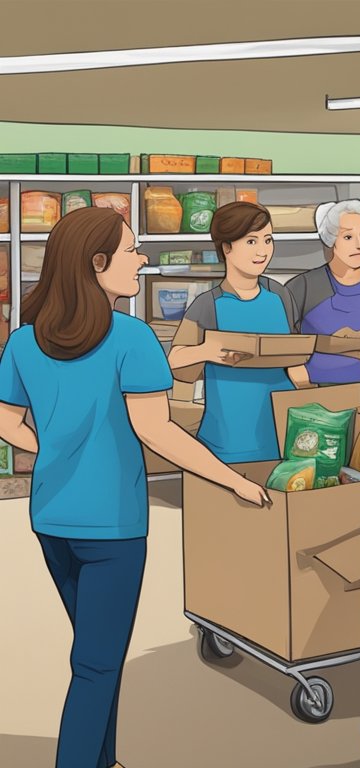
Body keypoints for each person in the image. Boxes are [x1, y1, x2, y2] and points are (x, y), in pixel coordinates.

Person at [0, 207, 269, 768]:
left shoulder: (24, 341)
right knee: (97, 664)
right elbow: (157, 431)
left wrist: (51, 451)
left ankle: (104, 760)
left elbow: (5, 422)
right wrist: (231, 481)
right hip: (113, 526)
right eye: (131, 251)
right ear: (97, 264)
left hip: (52, 517)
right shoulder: (131, 338)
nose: (143, 262)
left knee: (100, 652)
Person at [168, 202, 302, 463]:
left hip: (281, 430)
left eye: (268, 240)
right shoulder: (208, 305)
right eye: (251, 242)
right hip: (231, 436)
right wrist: (207, 351)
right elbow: (175, 361)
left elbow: (295, 356)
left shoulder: (280, 295)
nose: (263, 251)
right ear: (226, 248)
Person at [286, 199, 360, 386]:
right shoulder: (305, 285)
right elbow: (283, 346)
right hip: (324, 395)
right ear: (331, 241)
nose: (359, 245)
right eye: (348, 237)